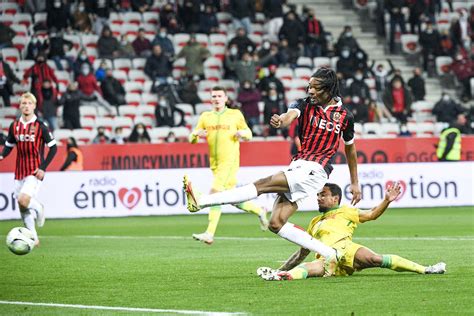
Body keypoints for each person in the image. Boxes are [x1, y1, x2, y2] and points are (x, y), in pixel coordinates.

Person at [184, 68, 362, 275]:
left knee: (263, 184)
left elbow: (350, 148)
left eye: (315, 87)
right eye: (309, 86)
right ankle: (331, 254)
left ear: (328, 89)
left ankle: (202, 201)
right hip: (299, 164)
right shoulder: (303, 104)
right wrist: (281, 121)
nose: (310, 90)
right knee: (276, 223)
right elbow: (289, 116)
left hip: (316, 169)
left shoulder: (345, 116)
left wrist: (355, 182)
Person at [257, 182, 446, 281]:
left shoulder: (346, 211)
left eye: (323, 195)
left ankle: (427, 269)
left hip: (347, 249)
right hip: (326, 259)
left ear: (335, 198)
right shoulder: (314, 222)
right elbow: (302, 252)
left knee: (377, 259)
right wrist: (281, 268)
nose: (318, 198)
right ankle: (280, 276)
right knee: (307, 269)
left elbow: (372, 214)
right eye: (318, 195)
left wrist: (387, 200)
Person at [187, 86, 269, 245]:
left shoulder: (234, 114)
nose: (216, 99)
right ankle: (260, 210)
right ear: (211, 99)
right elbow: (192, 138)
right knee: (232, 199)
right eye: (214, 96)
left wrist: (242, 134)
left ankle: (209, 233)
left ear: (226, 98)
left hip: (229, 162)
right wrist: (195, 135)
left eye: (219, 96)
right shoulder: (206, 116)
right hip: (215, 164)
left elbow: (249, 134)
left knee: (215, 194)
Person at [0, 92, 58, 245]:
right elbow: (8, 146)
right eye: (23, 103)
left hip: (34, 170)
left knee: (23, 199)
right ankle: (33, 236)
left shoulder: (40, 126)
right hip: (19, 171)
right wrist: (1, 156)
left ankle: (39, 207)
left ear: (34, 106)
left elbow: (53, 148)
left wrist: (43, 167)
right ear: (20, 106)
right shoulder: (15, 126)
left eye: (29, 103)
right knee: (22, 205)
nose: (26, 106)